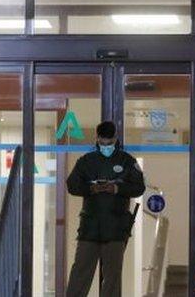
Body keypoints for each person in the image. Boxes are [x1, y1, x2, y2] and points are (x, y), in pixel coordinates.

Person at [65, 121, 145, 297]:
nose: (106, 146)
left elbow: (139, 187)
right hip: (90, 228)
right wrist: (91, 188)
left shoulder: (126, 161)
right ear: (97, 139)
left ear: (115, 139)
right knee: (80, 272)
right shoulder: (86, 161)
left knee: (112, 277)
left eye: (109, 143)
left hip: (116, 229)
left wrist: (116, 189)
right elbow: (72, 185)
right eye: (103, 143)